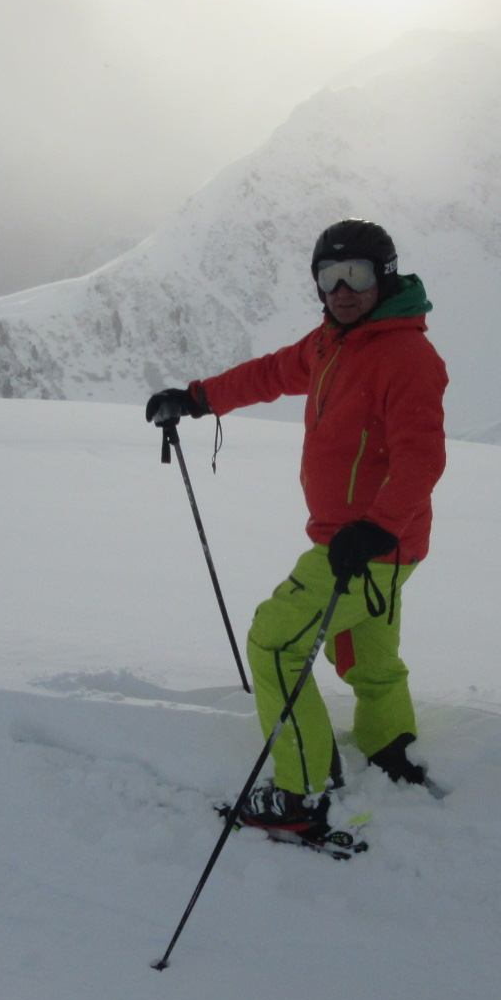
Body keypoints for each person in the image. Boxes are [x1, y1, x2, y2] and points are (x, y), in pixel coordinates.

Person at [146, 219, 448, 845]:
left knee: (276, 643)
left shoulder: (405, 355)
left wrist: (373, 529)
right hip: (371, 541)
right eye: (328, 276)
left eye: (356, 274)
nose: (341, 288)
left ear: (384, 277)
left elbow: (422, 458)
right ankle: (389, 748)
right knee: (372, 654)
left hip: (367, 543)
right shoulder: (334, 342)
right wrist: (198, 398)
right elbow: (271, 373)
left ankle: (301, 791)